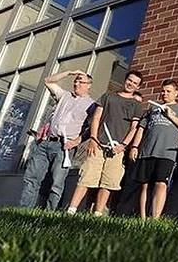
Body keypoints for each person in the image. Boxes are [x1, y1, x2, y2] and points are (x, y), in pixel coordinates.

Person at [65, 70, 143, 216]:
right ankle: (71, 210)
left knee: (108, 182)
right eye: (129, 80)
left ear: (138, 87)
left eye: (135, 83)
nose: (131, 84)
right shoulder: (108, 96)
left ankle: (98, 213)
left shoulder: (137, 105)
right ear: (125, 80)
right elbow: (96, 118)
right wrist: (93, 139)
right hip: (98, 145)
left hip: (117, 149)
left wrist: (123, 146)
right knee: (86, 177)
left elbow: (134, 128)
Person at [19, 70, 95, 210]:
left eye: (81, 81)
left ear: (89, 85)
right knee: (32, 178)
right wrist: (69, 73)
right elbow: (48, 80)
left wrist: (77, 141)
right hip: (45, 143)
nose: (76, 83)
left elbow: (93, 127)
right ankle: (24, 211)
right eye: (76, 80)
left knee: (56, 183)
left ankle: (50, 213)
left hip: (64, 146)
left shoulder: (92, 105)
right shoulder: (64, 95)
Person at [129, 79, 178, 219]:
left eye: (168, 91)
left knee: (161, 184)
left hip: (167, 153)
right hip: (147, 151)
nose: (165, 93)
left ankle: (155, 218)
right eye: (163, 91)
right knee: (145, 185)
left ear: (176, 93)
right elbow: (141, 128)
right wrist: (134, 146)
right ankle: (143, 218)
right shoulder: (153, 108)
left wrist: (170, 116)